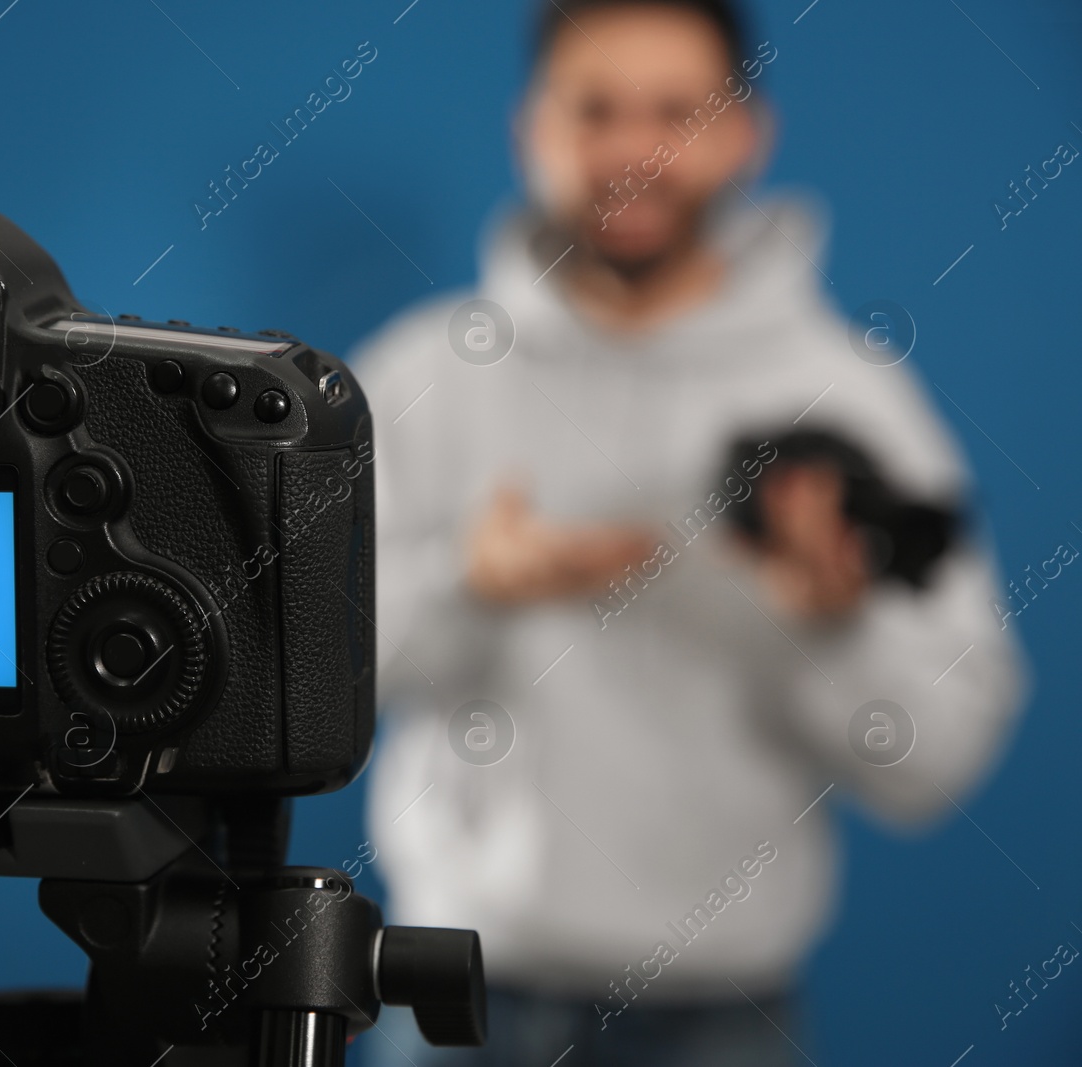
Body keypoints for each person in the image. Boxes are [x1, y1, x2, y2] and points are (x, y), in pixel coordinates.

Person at [353, 1, 1025, 1064]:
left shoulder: (849, 397)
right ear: (530, 124)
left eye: (675, 110)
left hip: (725, 1021)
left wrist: (833, 627)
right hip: (450, 1004)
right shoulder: (419, 376)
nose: (629, 148)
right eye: (595, 108)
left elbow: (935, 761)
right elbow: (290, 680)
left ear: (744, 133)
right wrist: (468, 586)